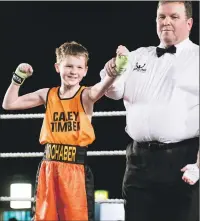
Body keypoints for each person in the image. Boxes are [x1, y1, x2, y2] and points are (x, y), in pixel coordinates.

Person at [2, 41, 126, 221]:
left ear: (85, 71)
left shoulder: (86, 95)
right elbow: (9, 104)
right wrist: (17, 78)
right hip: (49, 167)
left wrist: (116, 70)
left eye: (78, 67)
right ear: (57, 67)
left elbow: (102, 86)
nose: (73, 71)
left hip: (75, 171)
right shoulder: (47, 94)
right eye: (68, 66)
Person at [100, 1, 199, 221]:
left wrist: (199, 165)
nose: (166, 22)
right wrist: (114, 70)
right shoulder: (137, 56)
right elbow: (112, 92)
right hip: (139, 162)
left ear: (189, 23)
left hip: (183, 161)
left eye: (174, 17)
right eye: (161, 17)